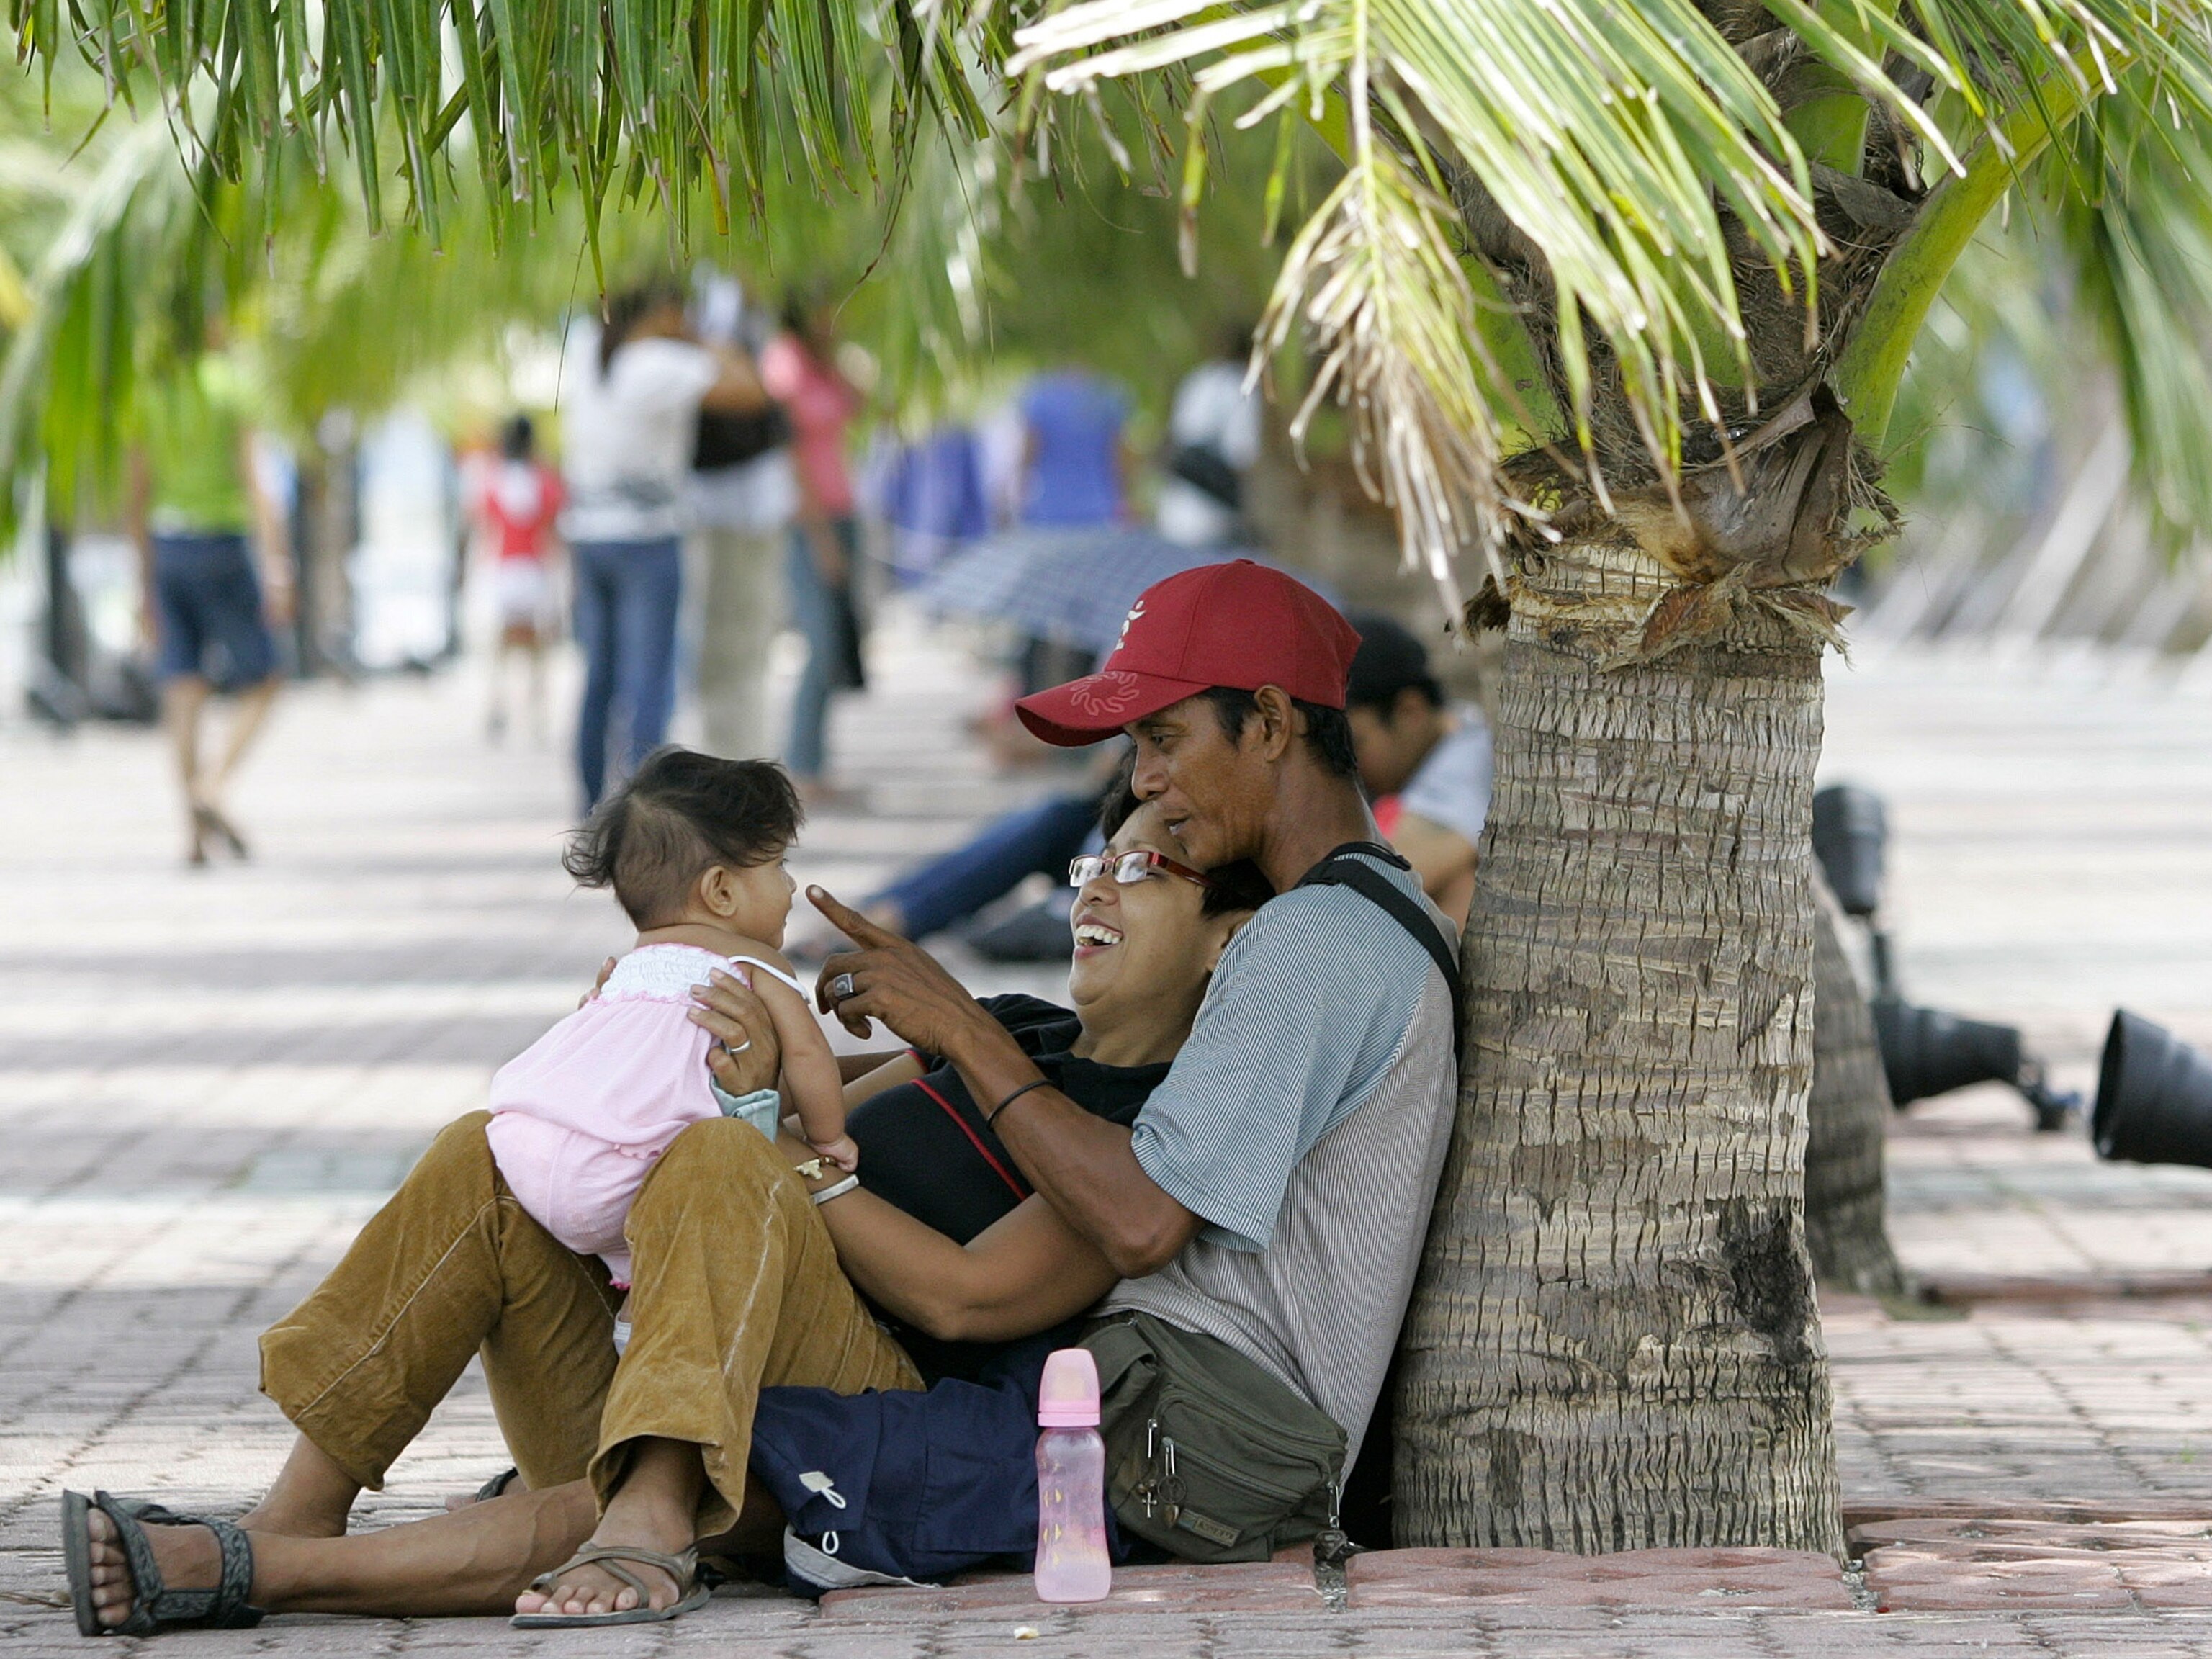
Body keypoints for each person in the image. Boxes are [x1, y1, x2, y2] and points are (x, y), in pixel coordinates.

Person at [62, 798, 1269, 1630]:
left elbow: (965, 1291)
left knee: (727, 1159)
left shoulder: (1150, 1121)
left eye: (1144, 866)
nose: (1097, 888)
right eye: (1090, 862)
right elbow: (768, 1098)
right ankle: (299, 1504)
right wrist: (650, 1028)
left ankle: (591, 1520)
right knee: (485, 1155)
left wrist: (774, 1129)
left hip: (851, 1429)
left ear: (1231, 935)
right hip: (693, 1369)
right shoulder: (1023, 1024)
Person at [486, 748, 853, 1300]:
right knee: (712, 1175)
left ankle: (632, 1292)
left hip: (536, 1155)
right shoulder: (754, 964)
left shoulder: (629, 970)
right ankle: (649, 1307)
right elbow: (807, 1058)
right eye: (779, 866)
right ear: (721, 892)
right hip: (640, 1174)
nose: (792, 888)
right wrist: (830, 1138)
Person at [560, 281, 770, 811]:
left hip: (588, 532)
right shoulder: (655, 362)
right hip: (647, 538)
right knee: (649, 679)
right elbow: (749, 391)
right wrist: (704, 339)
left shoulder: (586, 347)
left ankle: (588, 801)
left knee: (600, 675)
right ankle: (645, 808)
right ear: (662, 310)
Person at [130, 346, 294, 867]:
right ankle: (213, 786)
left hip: (168, 547)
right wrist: (277, 564)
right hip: (221, 545)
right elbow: (256, 480)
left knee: (182, 688)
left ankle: (193, 838)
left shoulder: (147, 392)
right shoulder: (231, 383)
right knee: (265, 678)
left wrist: (142, 582)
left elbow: (136, 494)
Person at [760, 297, 865, 800]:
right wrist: (820, 535)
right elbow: (791, 456)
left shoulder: (822, 365)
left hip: (843, 509)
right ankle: (801, 764)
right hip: (808, 520)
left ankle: (816, 763)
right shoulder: (784, 364)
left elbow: (862, 402)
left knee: (838, 644)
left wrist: (837, 352)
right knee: (820, 642)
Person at [688, 275, 795, 763]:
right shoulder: (713, 303)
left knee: (746, 646)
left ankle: (743, 762)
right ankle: (732, 762)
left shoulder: (742, 310)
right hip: (723, 510)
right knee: (726, 649)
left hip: (748, 511)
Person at [1342, 612, 1493, 925]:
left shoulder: (1468, 766)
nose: (1345, 763)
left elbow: (1370, 896)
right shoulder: (1462, 733)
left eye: (1356, 742)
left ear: (1410, 711)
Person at [472, 414, 564, 745]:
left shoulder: (493, 480)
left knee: (500, 645)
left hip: (504, 571)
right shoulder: (545, 481)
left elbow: (486, 530)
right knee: (537, 649)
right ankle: (538, 713)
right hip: (534, 570)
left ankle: (497, 706)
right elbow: (552, 533)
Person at [1155, 325, 1262, 549]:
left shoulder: (1198, 378)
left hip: (1175, 506)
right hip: (1213, 515)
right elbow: (1242, 454)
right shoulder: (1243, 387)